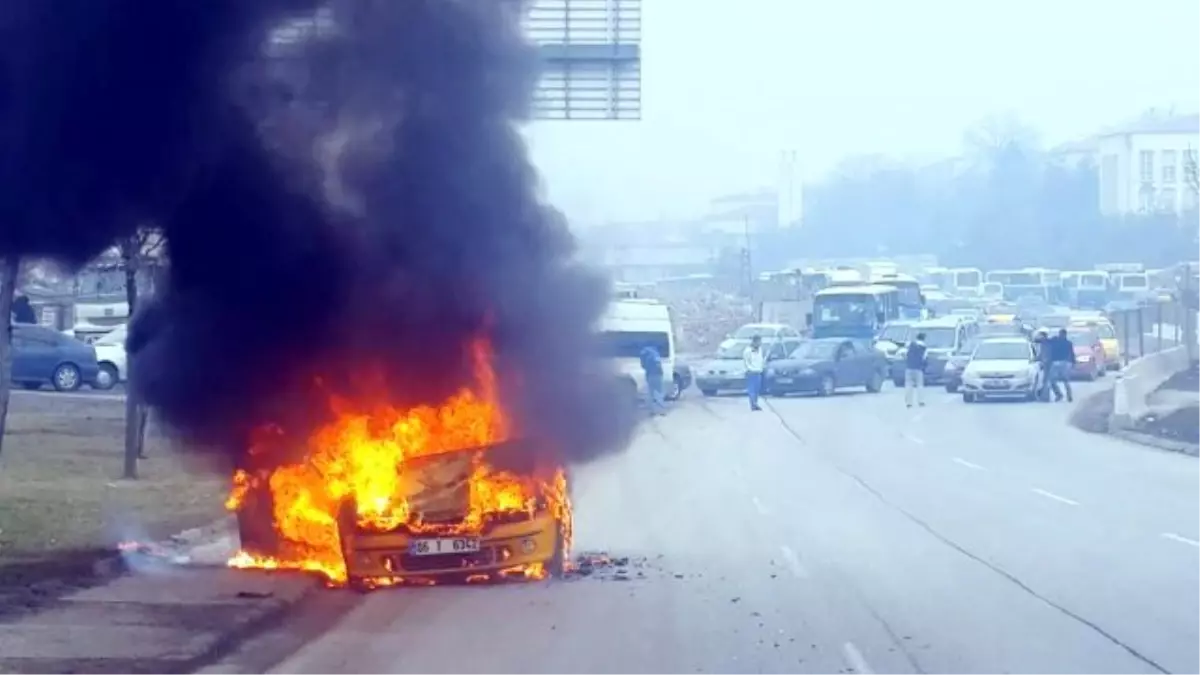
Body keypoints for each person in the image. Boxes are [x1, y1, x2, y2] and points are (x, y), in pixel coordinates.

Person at [1047, 328, 1076, 403]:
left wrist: (1073, 362)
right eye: (1060, 334)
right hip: (1056, 362)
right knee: (1052, 380)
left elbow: (1072, 353)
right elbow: (1046, 341)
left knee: (1065, 380)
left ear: (1065, 335)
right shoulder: (1055, 340)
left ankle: (1069, 396)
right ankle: (1059, 394)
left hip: (1064, 363)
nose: (1061, 335)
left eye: (1062, 334)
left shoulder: (1068, 343)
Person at [638, 344, 666, 416]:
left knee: (651, 394)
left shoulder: (644, 355)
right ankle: (661, 411)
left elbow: (643, 366)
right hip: (657, 375)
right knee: (659, 393)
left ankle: (652, 411)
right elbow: (658, 365)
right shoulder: (655, 354)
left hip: (649, 375)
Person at [904, 332, 928, 408]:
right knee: (920, 385)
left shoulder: (910, 345)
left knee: (908, 385)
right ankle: (921, 402)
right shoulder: (924, 348)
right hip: (918, 369)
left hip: (909, 368)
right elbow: (924, 359)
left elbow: (905, 355)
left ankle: (909, 403)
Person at [743, 335, 765, 411]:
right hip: (751, 372)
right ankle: (753, 404)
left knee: (757, 389)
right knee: (752, 389)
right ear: (755, 341)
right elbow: (746, 362)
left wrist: (761, 367)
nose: (760, 343)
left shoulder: (760, 350)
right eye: (759, 341)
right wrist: (750, 369)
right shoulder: (748, 351)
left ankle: (755, 403)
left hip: (758, 371)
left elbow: (760, 359)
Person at [1032, 330, 1052, 401]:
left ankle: (1045, 397)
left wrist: (1044, 361)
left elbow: (1046, 354)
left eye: (1040, 336)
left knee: (1046, 380)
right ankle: (1043, 396)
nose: (1039, 337)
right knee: (1044, 380)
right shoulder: (1043, 343)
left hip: (1048, 364)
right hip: (1044, 364)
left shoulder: (1048, 343)